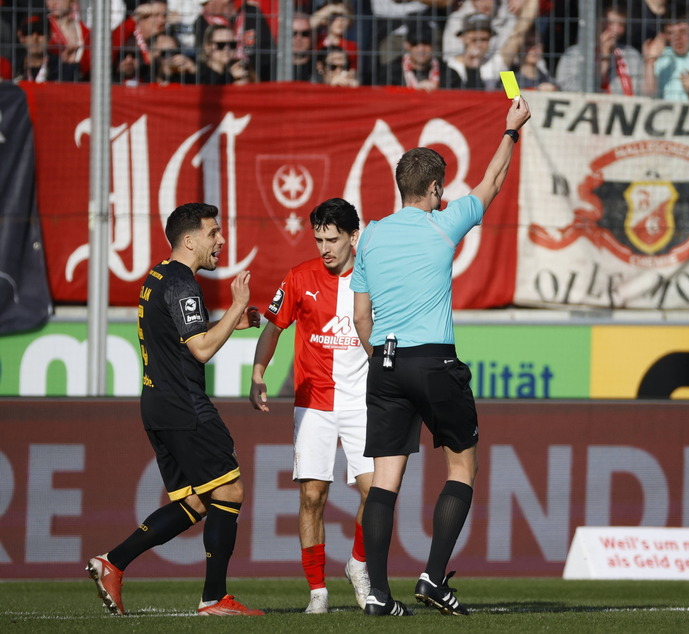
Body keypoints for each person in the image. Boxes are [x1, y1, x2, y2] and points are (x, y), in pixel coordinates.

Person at [351, 96, 531, 617]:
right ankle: (431, 577)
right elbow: (493, 182)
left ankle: (378, 596)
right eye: (441, 188)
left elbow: (361, 319)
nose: (444, 194)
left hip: (383, 362)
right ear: (432, 189)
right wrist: (511, 131)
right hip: (433, 360)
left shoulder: (373, 235)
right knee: (462, 465)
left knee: (384, 481)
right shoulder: (441, 223)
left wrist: (384, 357)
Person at [85, 202, 263, 617]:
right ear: (190, 239)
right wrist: (238, 305)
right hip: (185, 406)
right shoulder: (183, 281)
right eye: (213, 233)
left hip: (157, 404)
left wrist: (233, 321)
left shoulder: (158, 276)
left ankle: (113, 562)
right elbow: (199, 349)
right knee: (230, 490)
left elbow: (180, 331)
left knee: (200, 502)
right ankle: (214, 599)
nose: (220, 241)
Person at [250, 198, 374, 615]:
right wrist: (258, 373)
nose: (325, 247)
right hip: (314, 404)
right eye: (319, 238)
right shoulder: (300, 277)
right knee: (312, 497)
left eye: (333, 239)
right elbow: (273, 327)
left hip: (362, 402)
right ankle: (317, 591)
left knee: (376, 494)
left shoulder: (374, 277)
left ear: (353, 237)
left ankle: (358, 565)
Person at [555, 3, 643, 95]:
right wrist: (604, 59)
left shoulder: (631, 55)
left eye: (621, 24)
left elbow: (644, 93)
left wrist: (649, 63)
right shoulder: (574, 54)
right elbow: (571, 91)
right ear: (596, 23)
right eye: (610, 23)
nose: (616, 30)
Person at [445, 3, 534, 91]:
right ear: (462, 38)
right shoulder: (450, 65)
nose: (479, 44)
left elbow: (519, 35)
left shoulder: (495, 62)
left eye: (484, 39)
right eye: (474, 39)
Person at [380, 21, 458, 91]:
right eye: (415, 44)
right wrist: (415, 91)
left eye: (426, 44)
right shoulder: (390, 73)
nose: (421, 49)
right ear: (407, 46)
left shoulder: (449, 75)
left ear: (433, 46)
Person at [114, 1, 169, 85]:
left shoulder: (167, 41)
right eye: (156, 15)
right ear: (141, 18)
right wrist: (133, 19)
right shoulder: (127, 40)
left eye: (164, 16)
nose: (162, 21)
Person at [512, 27, 557, 91]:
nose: (534, 48)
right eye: (528, 44)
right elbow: (510, 99)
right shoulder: (509, 76)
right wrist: (536, 90)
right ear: (518, 48)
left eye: (537, 43)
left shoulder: (547, 79)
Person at [290, 12, 317, 82]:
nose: (299, 38)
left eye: (304, 34)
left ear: (312, 36)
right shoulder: (271, 69)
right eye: (293, 33)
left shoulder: (320, 68)